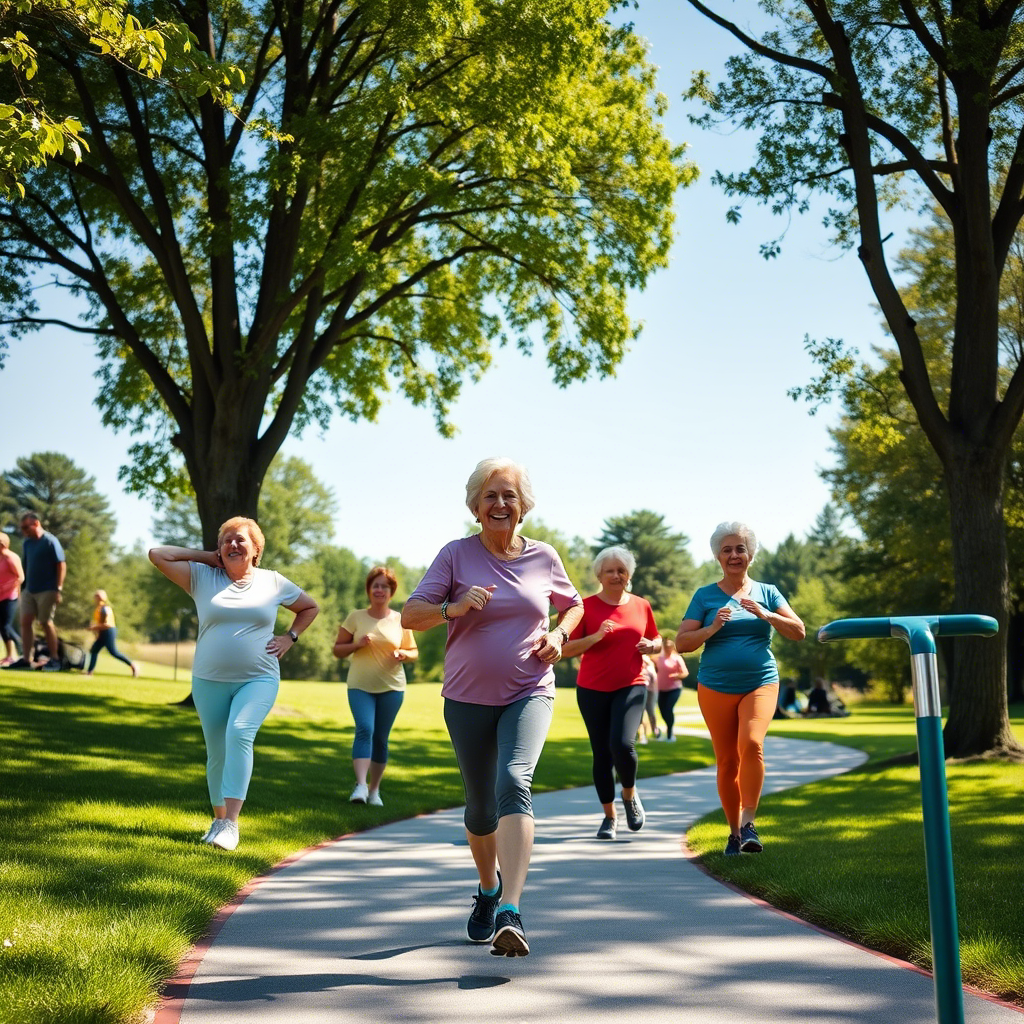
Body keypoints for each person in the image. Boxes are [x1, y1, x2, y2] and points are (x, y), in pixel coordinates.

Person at [402, 457, 583, 958]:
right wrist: (452, 608)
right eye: (490, 496)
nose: (500, 504)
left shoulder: (544, 556)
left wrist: (559, 635)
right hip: (465, 698)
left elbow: (574, 605)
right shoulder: (456, 555)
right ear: (476, 507)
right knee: (480, 809)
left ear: (523, 506)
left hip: (530, 688)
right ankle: (487, 887)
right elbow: (411, 614)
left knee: (514, 781)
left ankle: (511, 909)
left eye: (509, 496)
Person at [149, 517, 318, 851]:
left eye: (240, 540)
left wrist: (290, 637)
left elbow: (309, 606)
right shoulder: (201, 577)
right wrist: (204, 556)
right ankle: (218, 819)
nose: (233, 545)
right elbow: (158, 554)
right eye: (226, 540)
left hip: (258, 677)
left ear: (256, 549)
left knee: (240, 732)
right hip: (208, 680)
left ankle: (231, 824)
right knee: (216, 752)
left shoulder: (272, 582)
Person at [677, 521, 805, 857]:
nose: (734, 555)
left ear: (750, 555)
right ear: (718, 557)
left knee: (751, 743)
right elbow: (682, 643)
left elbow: (798, 631)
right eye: (727, 549)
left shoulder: (768, 591)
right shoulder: (704, 596)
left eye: (740, 549)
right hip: (715, 686)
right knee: (726, 761)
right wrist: (713, 627)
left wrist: (766, 615)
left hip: (760, 681)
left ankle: (749, 821)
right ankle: (735, 834)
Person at [561, 546, 660, 841]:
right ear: (599, 575)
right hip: (592, 688)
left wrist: (652, 647)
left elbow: (655, 638)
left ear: (628, 575)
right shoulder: (584, 607)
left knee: (622, 744)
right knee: (602, 754)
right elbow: (565, 649)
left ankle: (629, 795)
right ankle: (609, 817)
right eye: (610, 571)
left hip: (632, 683)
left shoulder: (642, 605)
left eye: (621, 570)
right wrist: (596, 636)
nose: (616, 575)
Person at [333, 565, 418, 806]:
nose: (379, 589)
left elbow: (414, 652)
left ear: (391, 591)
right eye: (375, 585)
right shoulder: (355, 617)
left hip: (392, 688)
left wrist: (403, 653)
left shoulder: (401, 620)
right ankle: (360, 786)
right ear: (369, 589)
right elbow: (338, 650)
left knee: (381, 738)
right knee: (365, 729)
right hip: (360, 686)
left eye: (385, 586)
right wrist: (356, 644)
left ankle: (374, 791)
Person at [18, 511, 66, 670]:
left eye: (26, 527)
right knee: (25, 622)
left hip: (47, 589)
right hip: (29, 589)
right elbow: (26, 566)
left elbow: (61, 564)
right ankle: (26, 659)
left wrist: (58, 588)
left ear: (36, 523)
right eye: (22, 528)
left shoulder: (50, 541)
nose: (24, 531)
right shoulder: (27, 543)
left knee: (45, 622)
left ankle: (55, 659)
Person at [85, 590, 139, 677]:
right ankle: (89, 672)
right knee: (94, 650)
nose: (97, 597)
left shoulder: (105, 608)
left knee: (114, 652)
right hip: (102, 632)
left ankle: (133, 665)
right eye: (96, 596)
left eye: (98, 596)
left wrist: (94, 627)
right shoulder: (98, 608)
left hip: (108, 631)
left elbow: (107, 624)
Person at [655, 635, 689, 741]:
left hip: (674, 689)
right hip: (661, 689)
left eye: (670, 647)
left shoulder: (677, 658)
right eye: (666, 647)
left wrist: (677, 676)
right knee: (662, 711)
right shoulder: (659, 658)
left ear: (672, 647)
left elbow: (685, 673)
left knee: (668, 709)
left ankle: (670, 735)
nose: (668, 649)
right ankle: (668, 732)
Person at [0, 532, 24, 666]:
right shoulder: (1, 557)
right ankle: (10, 655)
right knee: (2, 627)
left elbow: (20, 577)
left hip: (10, 597)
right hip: (1, 597)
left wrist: (4, 588)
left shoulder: (10, 557)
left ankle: (25, 649)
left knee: (6, 626)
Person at [638, 653, 658, 743]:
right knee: (640, 713)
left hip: (650, 690)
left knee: (650, 712)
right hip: (639, 689)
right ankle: (641, 735)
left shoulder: (648, 662)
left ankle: (654, 731)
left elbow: (654, 678)